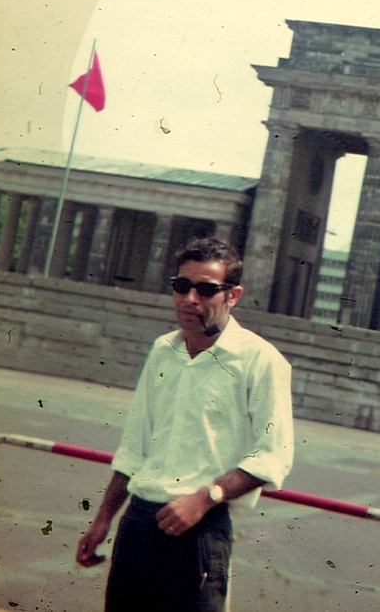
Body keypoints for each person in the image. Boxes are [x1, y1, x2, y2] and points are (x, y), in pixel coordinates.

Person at [76, 236, 294, 612]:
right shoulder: (164, 349)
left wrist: (204, 498)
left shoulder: (261, 362)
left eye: (207, 289)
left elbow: (273, 456)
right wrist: (103, 521)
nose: (190, 299)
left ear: (233, 295)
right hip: (139, 522)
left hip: (199, 529)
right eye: (181, 286)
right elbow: (134, 447)